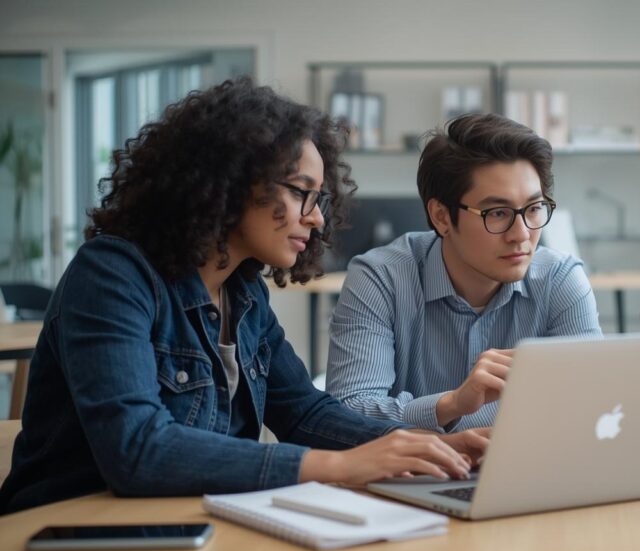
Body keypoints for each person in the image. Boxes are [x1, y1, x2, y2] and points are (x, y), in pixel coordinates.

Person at [0, 78, 488, 515]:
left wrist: (431, 445)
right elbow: (138, 449)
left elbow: (303, 412)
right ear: (229, 182)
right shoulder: (112, 274)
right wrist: (338, 465)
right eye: (303, 192)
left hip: (186, 523)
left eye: (320, 200)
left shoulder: (245, 293)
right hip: (68, 530)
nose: (317, 218)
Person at [326, 113, 602, 432]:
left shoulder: (560, 280)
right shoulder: (381, 278)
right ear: (442, 217)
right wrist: (452, 404)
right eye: (497, 213)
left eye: (534, 208)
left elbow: (591, 406)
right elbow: (347, 413)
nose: (522, 233)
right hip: (412, 478)